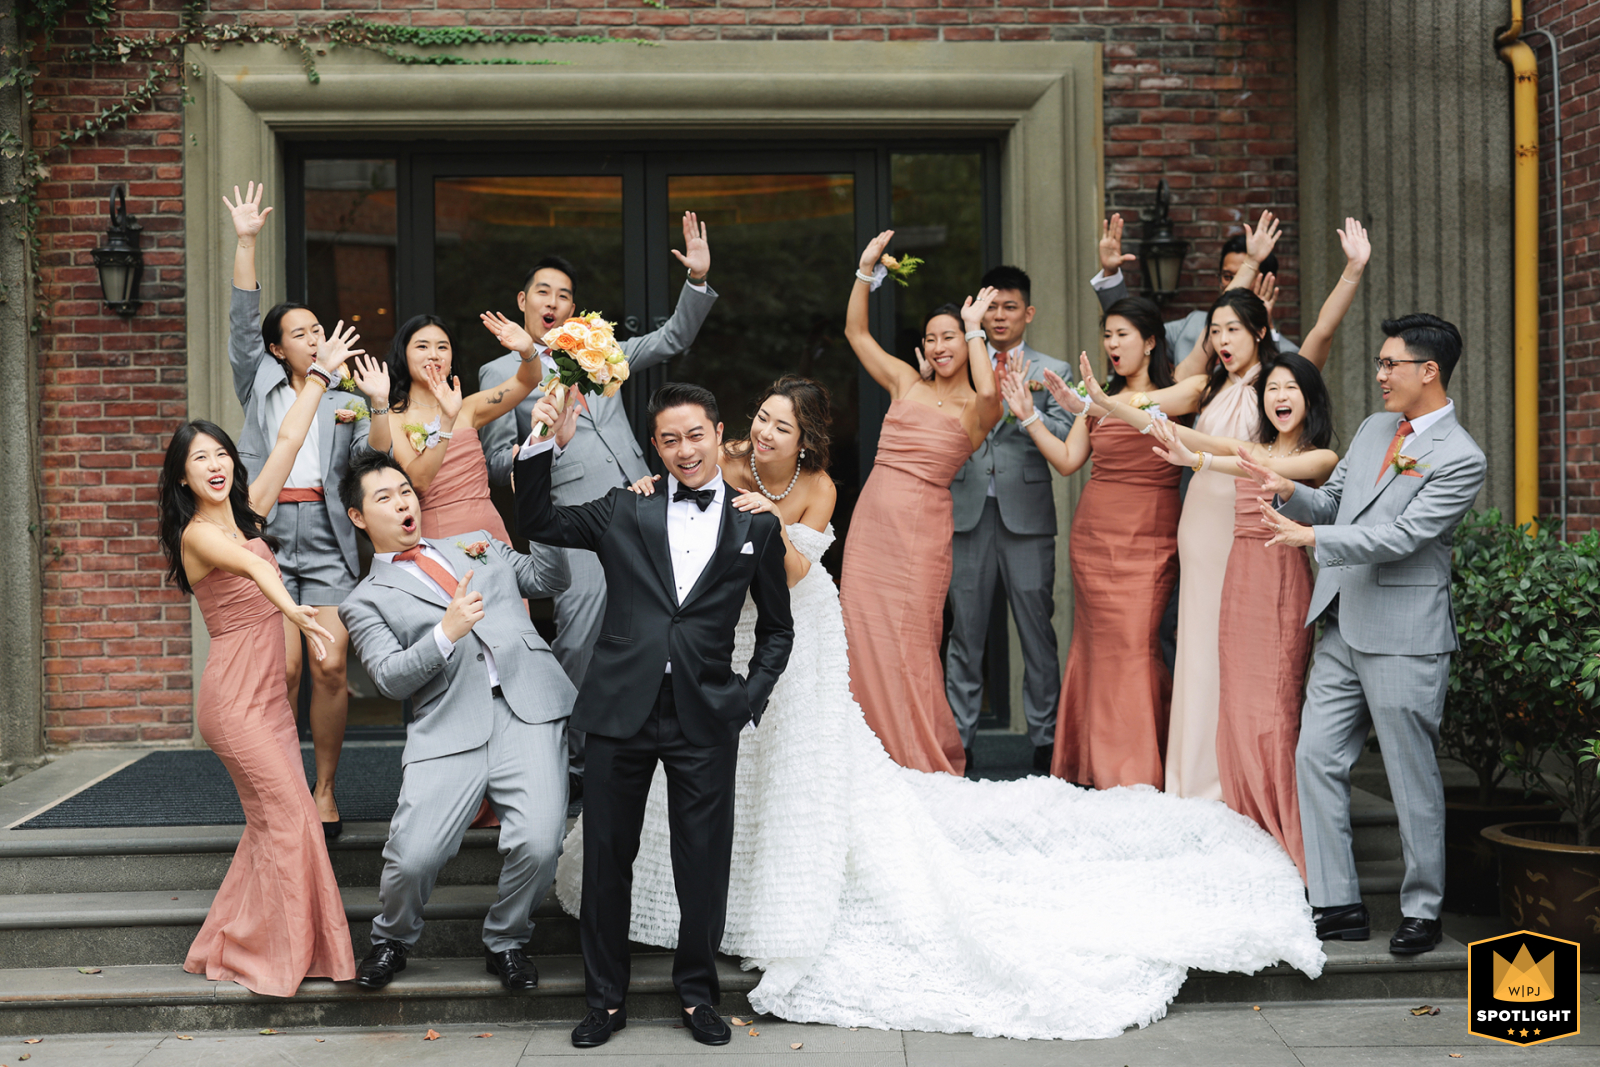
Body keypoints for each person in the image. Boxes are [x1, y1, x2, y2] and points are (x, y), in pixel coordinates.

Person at [557, 374, 1324, 1042]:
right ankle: (613, 989)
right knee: (663, 828)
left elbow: (786, 578)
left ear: (801, 436)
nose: (764, 431)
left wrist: (753, 525)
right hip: (684, 662)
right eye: (761, 418)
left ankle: (711, 972)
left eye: (779, 424)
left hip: (771, 635)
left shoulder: (810, 488)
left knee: (772, 793)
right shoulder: (696, 467)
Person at [514, 382, 794, 1049]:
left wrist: (745, 696)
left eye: (694, 435)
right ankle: (604, 1001)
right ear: (655, 446)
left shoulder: (755, 523)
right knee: (609, 857)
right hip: (620, 707)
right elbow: (540, 523)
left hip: (706, 711)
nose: (683, 449)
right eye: (668, 439)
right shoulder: (623, 508)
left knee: (703, 860)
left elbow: (778, 631)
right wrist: (538, 440)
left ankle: (698, 995)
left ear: (718, 432)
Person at [1081, 220, 1372, 804]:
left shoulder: (1279, 382)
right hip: (1201, 525)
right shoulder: (1205, 388)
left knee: (1240, 650)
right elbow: (1145, 406)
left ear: (1261, 331)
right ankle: (1193, 780)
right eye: (1214, 331)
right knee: (1197, 645)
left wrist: (1351, 272)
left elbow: (1323, 328)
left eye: (1233, 329)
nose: (1221, 341)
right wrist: (1097, 400)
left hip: (1250, 523)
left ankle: (1239, 775)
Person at [1244, 314, 1486, 955]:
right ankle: (1337, 903)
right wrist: (1290, 491)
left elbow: (1402, 539)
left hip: (1407, 636)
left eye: (1390, 365)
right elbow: (1336, 502)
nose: (1378, 376)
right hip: (1343, 626)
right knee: (1316, 759)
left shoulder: (1462, 458)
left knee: (1410, 778)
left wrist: (1313, 538)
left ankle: (1424, 909)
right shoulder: (1377, 427)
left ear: (1428, 371)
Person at [157, 322, 362, 997]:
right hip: (234, 703)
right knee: (293, 816)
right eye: (200, 459)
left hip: (269, 698)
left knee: (271, 824)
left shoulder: (247, 513)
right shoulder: (199, 535)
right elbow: (253, 568)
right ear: (183, 477)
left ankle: (232, 938)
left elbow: (288, 440)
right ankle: (276, 952)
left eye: (221, 453)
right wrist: (295, 608)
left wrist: (320, 378)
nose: (215, 464)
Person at [478, 216, 716, 796]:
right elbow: (496, 464)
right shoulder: (497, 372)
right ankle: (571, 760)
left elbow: (671, 340)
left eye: (564, 295)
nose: (554, 301)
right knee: (580, 635)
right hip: (573, 521)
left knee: (655, 621)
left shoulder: (597, 348)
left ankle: (647, 742)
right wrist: (544, 443)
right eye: (544, 292)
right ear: (523, 301)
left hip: (642, 501)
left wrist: (698, 281)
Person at [337, 451, 575, 992]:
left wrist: (540, 508)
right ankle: (392, 938)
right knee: (414, 854)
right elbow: (390, 679)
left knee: (540, 843)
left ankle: (507, 941)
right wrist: (445, 632)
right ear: (358, 517)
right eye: (385, 498)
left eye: (405, 491)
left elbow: (549, 578)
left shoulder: (478, 543)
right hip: (448, 725)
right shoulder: (364, 600)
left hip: (528, 707)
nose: (403, 503)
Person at [223, 182, 387, 838]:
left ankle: (323, 787)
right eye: (300, 332)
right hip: (265, 534)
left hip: (324, 534)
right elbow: (241, 318)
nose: (315, 338)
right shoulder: (255, 379)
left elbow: (378, 458)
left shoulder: (342, 393)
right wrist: (246, 241)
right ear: (275, 348)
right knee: (283, 665)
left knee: (326, 663)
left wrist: (374, 404)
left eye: (319, 330)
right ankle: (283, 782)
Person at [839, 231, 1002, 776]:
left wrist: (977, 329)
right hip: (873, 523)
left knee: (909, 642)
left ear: (967, 340)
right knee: (861, 634)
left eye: (950, 337)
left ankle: (916, 754)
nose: (939, 347)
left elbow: (989, 393)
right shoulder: (905, 382)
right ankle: (867, 754)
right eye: (932, 338)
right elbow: (855, 332)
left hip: (922, 530)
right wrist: (865, 272)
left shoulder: (975, 410)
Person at [1000, 297, 1179, 789]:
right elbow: (1067, 459)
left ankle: (1137, 767)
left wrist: (1098, 403)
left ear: (1149, 341)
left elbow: (1177, 409)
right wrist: (1029, 414)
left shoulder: (1178, 391)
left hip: (1151, 529)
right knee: (1098, 645)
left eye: (1123, 335)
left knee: (1137, 642)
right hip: (1095, 532)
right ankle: (1091, 762)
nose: (1113, 344)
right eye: (1107, 336)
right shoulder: (1095, 395)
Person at [944, 265, 1074, 773]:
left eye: (1010, 306)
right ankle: (960, 743)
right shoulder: (959, 361)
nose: (999, 316)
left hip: (1027, 516)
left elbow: (1068, 435)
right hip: (968, 512)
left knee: (1037, 632)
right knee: (965, 633)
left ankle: (1046, 742)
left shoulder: (1050, 367)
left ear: (1028, 313)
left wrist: (1028, 412)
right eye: (991, 307)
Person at [376, 314, 543, 544]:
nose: (433, 354)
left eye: (442, 347)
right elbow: (419, 481)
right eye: (422, 346)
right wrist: (446, 420)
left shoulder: (469, 408)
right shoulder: (394, 418)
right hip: (440, 535)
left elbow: (527, 381)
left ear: (452, 357)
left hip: (489, 530)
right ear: (404, 354)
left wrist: (527, 350)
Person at [1092, 207, 1302, 364]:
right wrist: (1110, 273)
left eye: (1245, 275)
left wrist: (1267, 327)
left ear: (1267, 280)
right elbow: (1135, 333)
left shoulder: (1286, 352)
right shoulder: (1192, 325)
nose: (1235, 285)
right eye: (1228, 276)